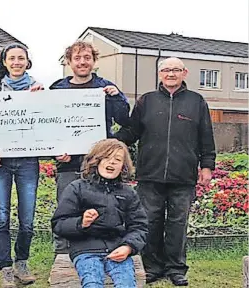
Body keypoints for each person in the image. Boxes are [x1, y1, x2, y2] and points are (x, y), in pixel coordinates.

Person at [116, 57, 216, 286]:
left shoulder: (197, 101)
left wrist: (207, 166)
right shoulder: (146, 101)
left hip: (184, 176)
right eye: (166, 70)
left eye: (176, 70)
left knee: (177, 225)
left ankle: (176, 269)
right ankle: (151, 267)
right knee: (149, 222)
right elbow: (131, 132)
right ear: (159, 74)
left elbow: (206, 137)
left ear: (184, 73)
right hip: (150, 174)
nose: (171, 74)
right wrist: (107, 141)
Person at [49, 40, 130, 254]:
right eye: (77, 58)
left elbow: (124, 120)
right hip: (68, 165)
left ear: (94, 61)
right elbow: (46, 127)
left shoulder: (105, 87)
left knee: (101, 209)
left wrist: (117, 97)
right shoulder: (57, 88)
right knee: (65, 211)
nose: (82, 62)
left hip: (98, 165)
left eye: (87, 58)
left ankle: (96, 252)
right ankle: (63, 256)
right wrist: (55, 154)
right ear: (69, 62)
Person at [0, 43, 43, 288]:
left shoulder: (39, 89)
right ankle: (5, 267)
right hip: (1, 163)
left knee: (27, 218)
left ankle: (22, 262)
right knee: (2, 217)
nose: (17, 62)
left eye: (21, 58)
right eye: (12, 58)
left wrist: (43, 101)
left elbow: (48, 125)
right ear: (4, 62)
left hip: (28, 161)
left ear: (27, 62)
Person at [51, 139, 148, 288]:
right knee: (92, 283)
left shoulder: (128, 193)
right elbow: (59, 224)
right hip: (85, 250)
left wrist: (128, 247)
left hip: (118, 249)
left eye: (118, 159)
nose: (112, 162)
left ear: (123, 166)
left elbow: (139, 226)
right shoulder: (77, 188)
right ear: (96, 161)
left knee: (126, 284)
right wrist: (81, 223)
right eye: (107, 158)